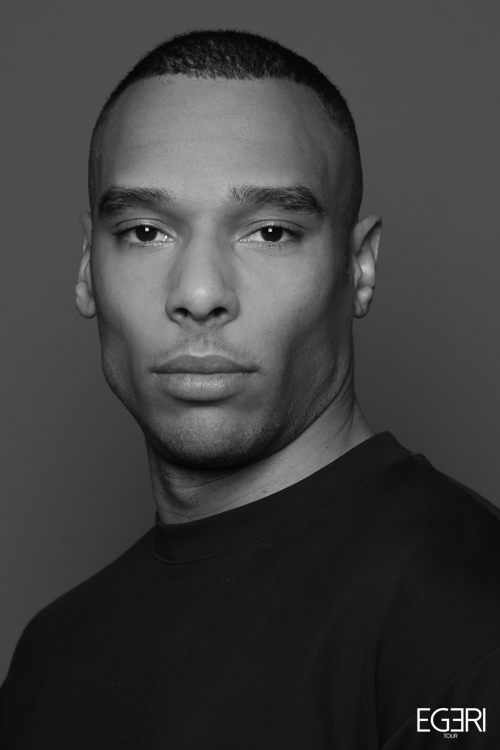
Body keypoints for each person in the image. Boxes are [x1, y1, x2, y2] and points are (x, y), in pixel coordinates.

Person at [1, 28, 500, 749]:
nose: (200, 293)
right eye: (144, 231)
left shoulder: (466, 617)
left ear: (359, 268)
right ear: (87, 269)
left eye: (269, 232)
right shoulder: (50, 657)